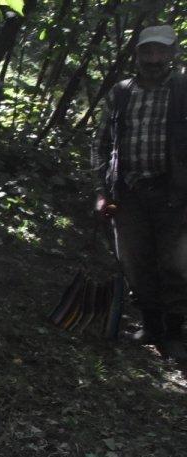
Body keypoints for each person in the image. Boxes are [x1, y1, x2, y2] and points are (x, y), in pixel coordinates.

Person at [92, 24, 187, 362]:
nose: (154, 58)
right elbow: (102, 143)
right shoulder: (121, 92)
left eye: (161, 52)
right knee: (136, 262)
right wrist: (101, 191)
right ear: (137, 55)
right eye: (147, 51)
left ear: (172, 54)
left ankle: (174, 333)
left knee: (175, 265)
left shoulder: (183, 89)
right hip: (129, 193)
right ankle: (150, 325)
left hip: (174, 194)